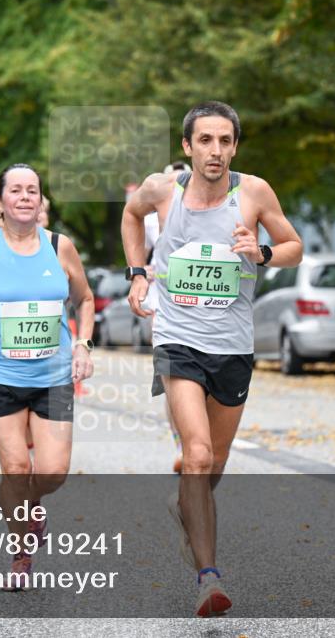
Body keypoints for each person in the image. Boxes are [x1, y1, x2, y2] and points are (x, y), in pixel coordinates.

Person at [121, 101, 302, 617]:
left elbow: (294, 245)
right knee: (196, 454)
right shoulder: (162, 191)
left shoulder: (255, 193)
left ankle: (187, 503)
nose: (216, 150)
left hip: (232, 347)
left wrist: (261, 252)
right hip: (177, 340)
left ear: (235, 146)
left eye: (225, 141)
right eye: (206, 140)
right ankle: (208, 578)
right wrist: (137, 272)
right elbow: (131, 217)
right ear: (187, 146)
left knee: (213, 464)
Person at [0, 164, 94, 589]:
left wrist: (82, 345)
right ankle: (21, 552)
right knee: (14, 468)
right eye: (17, 190)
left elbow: (84, 300)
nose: (26, 197)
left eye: (33, 190)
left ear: (41, 200)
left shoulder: (60, 247)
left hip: (53, 376)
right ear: (1, 200)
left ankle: (32, 507)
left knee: (52, 473)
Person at [155, 161, 191, 474]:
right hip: (164, 306)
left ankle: (199, 437)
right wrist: (140, 270)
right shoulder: (157, 208)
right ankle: (182, 440)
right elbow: (137, 247)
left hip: (209, 313)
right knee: (173, 380)